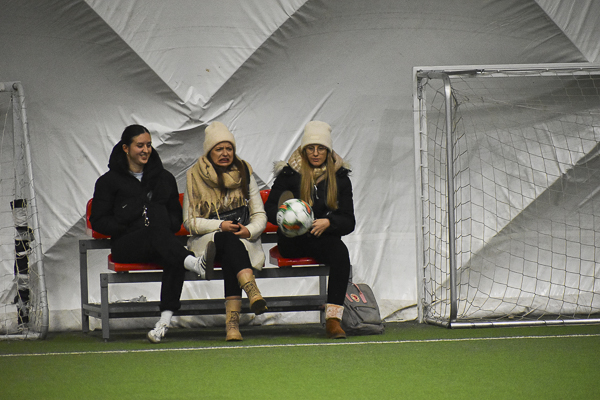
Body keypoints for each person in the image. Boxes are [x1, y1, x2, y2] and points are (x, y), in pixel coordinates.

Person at [90, 124, 214, 344]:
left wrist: (163, 223)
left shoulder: (164, 178)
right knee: (172, 248)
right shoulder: (108, 181)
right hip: (126, 245)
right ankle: (195, 264)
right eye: (140, 146)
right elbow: (98, 221)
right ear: (126, 148)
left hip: (160, 242)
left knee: (175, 257)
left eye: (148, 145)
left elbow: (175, 216)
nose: (146, 150)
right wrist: (127, 224)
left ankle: (162, 324)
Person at [265, 121, 355, 339]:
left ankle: (333, 320)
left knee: (341, 254)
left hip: (321, 237)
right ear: (303, 150)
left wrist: (329, 223)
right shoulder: (288, 174)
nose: (315, 153)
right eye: (310, 148)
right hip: (292, 240)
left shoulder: (340, 178)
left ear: (328, 150)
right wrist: (288, 216)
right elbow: (270, 209)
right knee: (330, 248)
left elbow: (349, 220)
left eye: (321, 148)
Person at [183, 121, 268, 341]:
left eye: (229, 148)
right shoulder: (194, 176)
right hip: (208, 242)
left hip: (241, 240)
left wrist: (248, 231)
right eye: (219, 149)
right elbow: (189, 221)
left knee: (232, 249)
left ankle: (233, 326)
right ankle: (251, 291)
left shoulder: (244, 171)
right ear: (209, 152)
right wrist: (220, 226)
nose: (225, 153)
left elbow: (260, 214)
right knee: (227, 240)